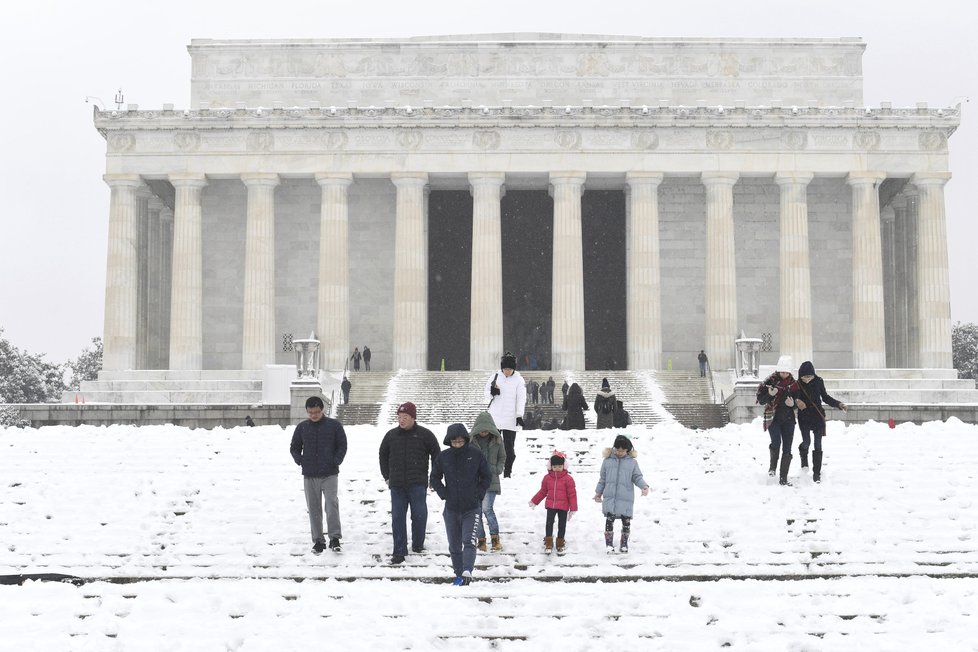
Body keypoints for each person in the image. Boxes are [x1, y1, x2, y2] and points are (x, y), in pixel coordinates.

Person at [378, 401, 441, 563]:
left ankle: (418, 544)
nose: (402, 420)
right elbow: (382, 455)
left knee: (419, 515)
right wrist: (386, 476)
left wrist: (434, 477)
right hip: (397, 484)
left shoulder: (425, 434)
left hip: (417, 483)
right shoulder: (391, 435)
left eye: (405, 417)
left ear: (413, 417)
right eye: (399, 417)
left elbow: (437, 455)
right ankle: (399, 551)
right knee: (398, 518)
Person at [430, 423, 492, 586]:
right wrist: (443, 493)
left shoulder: (475, 454)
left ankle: (467, 571)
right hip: (451, 508)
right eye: (454, 442)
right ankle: (459, 574)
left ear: (465, 439)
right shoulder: (444, 457)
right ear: (449, 441)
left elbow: (486, 476)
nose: (457, 444)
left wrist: (479, 494)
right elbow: (434, 477)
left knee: (469, 541)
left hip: (471, 507)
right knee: (454, 545)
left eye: (460, 441)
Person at [289, 396, 348, 553]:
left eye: (316, 412)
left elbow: (342, 445)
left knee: (331, 505)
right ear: (307, 412)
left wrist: (336, 460)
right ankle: (318, 540)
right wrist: (301, 460)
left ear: (322, 410)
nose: (314, 415)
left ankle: (334, 538)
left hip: (330, 473)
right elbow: (294, 447)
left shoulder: (334, 426)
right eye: (310, 413)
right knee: (313, 508)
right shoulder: (302, 428)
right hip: (310, 474)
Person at [594, 435, 649, 554]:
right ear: (614, 448)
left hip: (626, 498)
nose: (620, 452)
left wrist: (644, 486)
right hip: (610, 498)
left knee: (626, 522)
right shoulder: (607, 461)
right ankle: (609, 544)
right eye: (618, 450)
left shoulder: (632, 463)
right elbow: (602, 479)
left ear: (627, 450)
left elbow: (637, 477)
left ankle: (624, 544)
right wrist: (598, 493)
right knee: (609, 520)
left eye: (623, 450)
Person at [796, 360, 848, 483]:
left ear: (813, 375)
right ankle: (803, 453)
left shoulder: (819, 382)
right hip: (804, 417)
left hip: (817, 416)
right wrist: (797, 402)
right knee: (806, 442)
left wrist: (839, 404)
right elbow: (794, 399)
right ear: (800, 376)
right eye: (804, 377)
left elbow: (825, 397)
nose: (807, 379)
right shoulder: (797, 384)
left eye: (809, 376)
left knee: (818, 445)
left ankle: (816, 473)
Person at [756, 355, 802, 486]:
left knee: (787, 448)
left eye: (787, 372)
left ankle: (783, 478)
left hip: (788, 420)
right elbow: (761, 400)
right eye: (782, 372)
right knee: (776, 443)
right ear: (778, 370)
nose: (784, 374)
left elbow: (797, 401)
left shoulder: (794, 384)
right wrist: (769, 395)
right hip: (773, 418)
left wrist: (792, 404)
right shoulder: (770, 381)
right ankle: (772, 468)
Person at [485, 352, 527, 478]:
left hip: (510, 418)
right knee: (492, 447)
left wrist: (519, 415)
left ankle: (507, 472)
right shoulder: (495, 377)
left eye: (509, 369)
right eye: (505, 369)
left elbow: (521, 399)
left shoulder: (519, 380)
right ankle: (492, 471)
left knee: (509, 450)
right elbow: (486, 393)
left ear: (513, 369)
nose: (507, 371)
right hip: (495, 417)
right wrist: (492, 392)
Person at [469, 411, 506, 552]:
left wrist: (497, 469)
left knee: (487, 509)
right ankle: (481, 539)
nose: (484, 432)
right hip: (475, 482)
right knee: (476, 511)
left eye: (486, 429)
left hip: (491, 481)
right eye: (481, 429)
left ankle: (495, 538)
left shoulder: (497, 441)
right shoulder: (471, 442)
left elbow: (503, 456)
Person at [529, 451, 578, 554]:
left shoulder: (568, 479)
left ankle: (560, 542)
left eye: (559, 466)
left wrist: (573, 508)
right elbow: (543, 491)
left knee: (562, 524)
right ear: (551, 466)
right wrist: (534, 501)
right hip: (551, 505)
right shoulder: (547, 478)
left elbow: (572, 494)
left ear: (564, 466)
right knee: (549, 523)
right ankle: (548, 542)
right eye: (555, 466)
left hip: (563, 506)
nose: (557, 468)